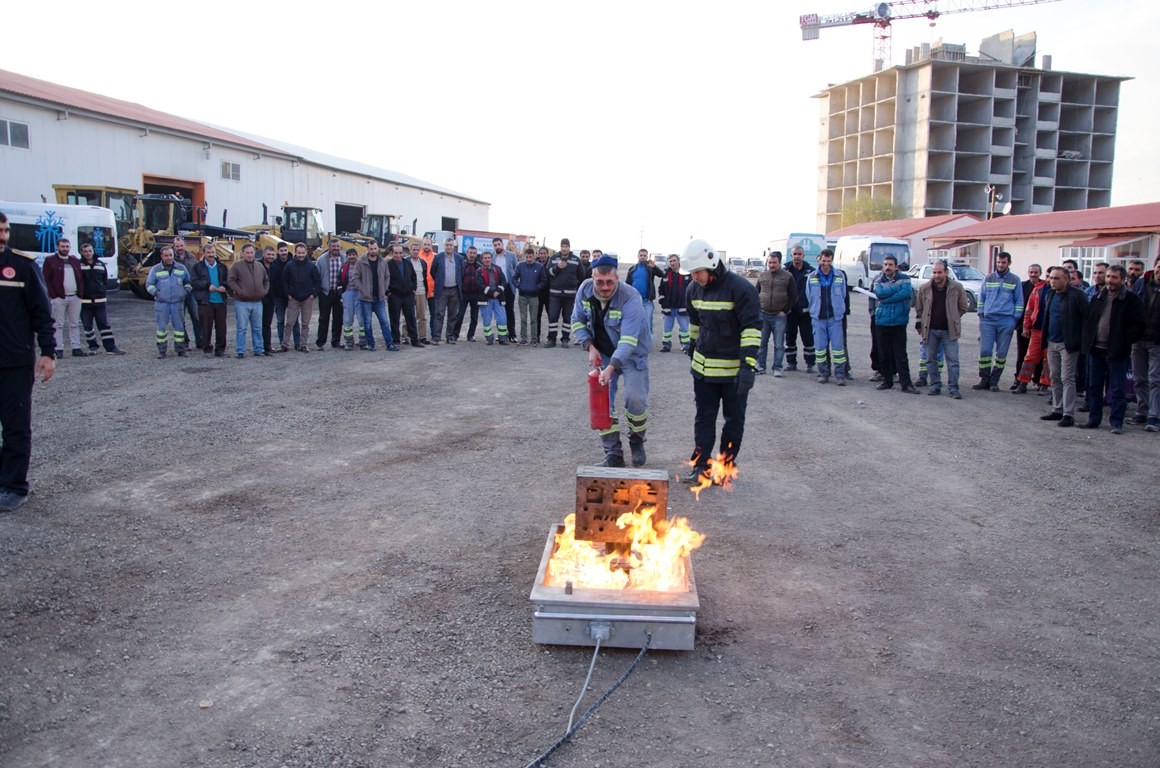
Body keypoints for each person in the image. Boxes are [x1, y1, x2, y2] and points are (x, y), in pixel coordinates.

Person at [680, 239, 760, 482]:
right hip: (703, 372)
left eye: (697, 272)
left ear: (711, 265)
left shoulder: (741, 289)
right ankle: (701, 467)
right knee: (703, 419)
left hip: (733, 372)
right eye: (692, 273)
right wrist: (692, 345)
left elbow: (751, 328)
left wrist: (748, 366)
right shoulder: (693, 289)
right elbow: (695, 322)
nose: (694, 278)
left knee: (733, 421)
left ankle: (725, 468)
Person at [571, 254, 652, 467]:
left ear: (617, 278)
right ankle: (613, 453)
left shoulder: (630, 297)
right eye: (600, 282)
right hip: (604, 353)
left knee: (636, 401)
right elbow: (577, 321)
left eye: (609, 282)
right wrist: (589, 346)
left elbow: (628, 340)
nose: (604, 287)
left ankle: (636, 441)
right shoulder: (585, 290)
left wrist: (611, 368)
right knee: (603, 403)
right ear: (592, 277)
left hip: (633, 354)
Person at [0, 211, 57, 510]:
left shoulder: (21, 266)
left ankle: (13, 485)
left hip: (14, 361)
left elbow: (41, 312)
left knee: (15, 425)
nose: (3, 236)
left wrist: (48, 352)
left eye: (6, 231)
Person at [1079, 265, 1145, 434]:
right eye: (1108, 277)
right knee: (1094, 386)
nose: (1109, 280)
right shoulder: (1097, 298)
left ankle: (1116, 422)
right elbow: (1088, 321)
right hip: (1096, 350)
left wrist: (1124, 341)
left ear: (1123, 280)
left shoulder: (1131, 300)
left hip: (1117, 351)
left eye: (1114, 277)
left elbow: (1138, 326)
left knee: (1117, 389)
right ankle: (1094, 419)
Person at [1035, 266, 1088, 427]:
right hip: (1052, 341)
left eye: (1056, 278)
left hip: (1069, 344)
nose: (1052, 281)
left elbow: (1086, 319)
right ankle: (1057, 409)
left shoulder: (1078, 296)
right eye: (1051, 278)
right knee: (1055, 377)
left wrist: (1080, 341)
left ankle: (1068, 413)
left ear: (1067, 279)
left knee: (1067, 378)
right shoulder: (1050, 294)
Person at [914, 260, 969, 399]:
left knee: (953, 361)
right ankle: (935, 385)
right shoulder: (925, 288)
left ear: (946, 272)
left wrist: (953, 317)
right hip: (930, 330)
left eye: (939, 272)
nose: (936, 275)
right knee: (930, 359)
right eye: (934, 272)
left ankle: (953, 388)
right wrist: (921, 323)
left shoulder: (956, 287)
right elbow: (919, 308)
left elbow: (963, 307)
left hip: (949, 331)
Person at [973, 251, 1024, 391]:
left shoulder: (1015, 280)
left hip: (1006, 320)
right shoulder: (989, 278)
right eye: (999, 262)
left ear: (1009, 263)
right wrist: (981, 314)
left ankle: (994, 381)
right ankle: (984, 379)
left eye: (1003, 262)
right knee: (985, 351)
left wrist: (1014, 319)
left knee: (1001, 354)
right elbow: (981, 297)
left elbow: (1019, 301)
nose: (1000, 265)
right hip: (988, 320)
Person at [870, 255, 917, 393]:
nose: (887, 267)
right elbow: (879, 292)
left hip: (899, 322)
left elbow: (905, 293)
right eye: (885, 264)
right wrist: (895, 291)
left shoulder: (905, 278)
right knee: (883, 354)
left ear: (896, 266)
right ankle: (887, 380)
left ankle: (906, 384)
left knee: (901, 355)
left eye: (890, 264)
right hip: (882, 322)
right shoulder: (878, 279)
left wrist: (886, 298)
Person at [804, 249, 847, 385]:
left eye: (828, 261)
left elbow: (844, 295)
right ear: (819, 259)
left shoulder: (839, 275)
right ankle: (823, 373)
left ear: (832, 260)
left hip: (835, 319)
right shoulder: (812, 276)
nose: (826, 264)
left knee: (838, 349)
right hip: (818, 318)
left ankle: (840, 375)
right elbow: (809, 295)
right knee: (820, 348)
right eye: (824, 261)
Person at [41, 238, 86, 358]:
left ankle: (76, 348)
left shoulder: (74, 261)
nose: (65, 249)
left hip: (75, 297)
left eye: (67, 246)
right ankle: (58, 349)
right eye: (62, 246)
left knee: (75, 323)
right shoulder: (50, 260)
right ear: (57, 247)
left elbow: (80, 278)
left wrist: (79, 293)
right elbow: (46, 279)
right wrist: (53, 295)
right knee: (57, 324)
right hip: (59, 298)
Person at [77, 243, 124, 355]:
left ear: (93, 251)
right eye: (85, 251)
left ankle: (110, 347)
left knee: (104, 325)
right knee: (88, 326)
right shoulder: (79, 265)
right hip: (85, 301)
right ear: (81, 253)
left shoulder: (100, 264)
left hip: (100, 300)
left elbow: (104, 280)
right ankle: (93, 347)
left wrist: (101, 290)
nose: (88, 253)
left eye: (89, 250)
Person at [350, 243, 398, 352]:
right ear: (367, 249)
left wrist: (384, 288)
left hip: (379, 298)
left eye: (375, 248)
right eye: (371, 249)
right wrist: (362, 289)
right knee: (367, 322)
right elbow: (355, 278)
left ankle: (389, 344)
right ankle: (371, 344)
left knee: (384, 321)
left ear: (377, 249)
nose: (373, 250)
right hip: (366, 298)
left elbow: (387, 276)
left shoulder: (382, 262)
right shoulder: (361, 262)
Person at [145, 246, 192, 358]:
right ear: (161, 256)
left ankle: (181, 350)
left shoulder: (181, 268)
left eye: (170, 255)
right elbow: (149, 284)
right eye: (166, 255)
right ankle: (162, 351)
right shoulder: (155, 269)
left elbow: (188, 282)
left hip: (177, 303)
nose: (169, 257)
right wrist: (157, 293)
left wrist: (185, 292)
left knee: (179, 328)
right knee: (161, 329)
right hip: (162, 303)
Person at [755, 251, 797, 376]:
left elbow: (794, 296)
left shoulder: (788, 276)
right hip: (763, 314)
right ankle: (761, 366)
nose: (772, 265)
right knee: (762, 343)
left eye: (774, 262)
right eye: (770, 262)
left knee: (779, 344)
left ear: (779, 263)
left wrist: (784, 310)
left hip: (779, 316)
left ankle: (777, 368)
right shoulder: (762, 276)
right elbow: (755, 293)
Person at [1014, 267, 1052, 395]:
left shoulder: (1060, 292)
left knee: (1048, 360)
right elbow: (1029, 310)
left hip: (1052, 332)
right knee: (1030, 357)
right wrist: (1026, 326)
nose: (1050, 279)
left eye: (1052, 277)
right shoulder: (1038, 289)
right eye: (1048, 276)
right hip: (1037, 330)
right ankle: (1023, 382)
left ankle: (1045, 385)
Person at [1128, 256, 1157, 425]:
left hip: (1157, 341)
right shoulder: (1142, 283)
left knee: (1155, 379)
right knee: (1139, 378)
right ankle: (1142, 411)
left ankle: (1154, 415)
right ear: (1155, 267)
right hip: (1138, 340)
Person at [227, 243, 269, 358]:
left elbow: (266, 280)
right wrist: (239, 292)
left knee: (257, 327)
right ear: (243, 253)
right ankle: (240, 350)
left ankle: (258, 349)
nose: (250, 255)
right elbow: (230, 281)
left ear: (254, 253)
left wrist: (264, 291)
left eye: (251, 252)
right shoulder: (236, 266)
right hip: (242, 303)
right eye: (247, 253)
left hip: (257, 302)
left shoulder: (259, 266)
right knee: (241, 328)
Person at [190, 241, 229, 357]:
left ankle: (220, 349)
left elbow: (228, 280)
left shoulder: (222, 267)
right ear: (204, 253)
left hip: (220, 301)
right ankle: (207, 349)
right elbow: (194, 282)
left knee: (221, 327)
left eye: (213, 252)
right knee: (206, 327)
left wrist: (225, 286)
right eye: (208, 252)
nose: (211, 255)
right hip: (206, 302)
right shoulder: (197, 267)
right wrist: (207, 285)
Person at [283, 242, 320, 353]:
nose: (301, 255)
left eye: (303, 253)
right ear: (295, 252)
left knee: (305, 324)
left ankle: (304, 345)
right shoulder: (289, 266)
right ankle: (285, 344)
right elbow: (284, 281)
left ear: (306, 252)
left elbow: (317, 281)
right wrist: (287, 294)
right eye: (299, 253)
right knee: (289, 322)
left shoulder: (311, 266)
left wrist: (313, 294)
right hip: (293, 298)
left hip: (307, 298)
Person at [546, 239, 584, 348]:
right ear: (560, 247)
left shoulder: (576, 260)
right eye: (562, 246)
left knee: (567, 318)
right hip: (555, 294)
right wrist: (557, 267)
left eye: (566, 246)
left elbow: (581, 276)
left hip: (570, 295)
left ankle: (565, 340)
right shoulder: (553, 259)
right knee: (553, 317)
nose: (564, 248)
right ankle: (551, 339)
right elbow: (548, 273)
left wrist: (575, 287)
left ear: (569, 247)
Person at [783, 246, 815, 373]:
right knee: (790, 338)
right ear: (791, 256)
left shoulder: (811, 272)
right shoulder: (785, 271)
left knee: (808, 339)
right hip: (790, 312)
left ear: (803, 256)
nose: (797, 256)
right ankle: (791, 363)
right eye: (795, 254)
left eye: (799, 254)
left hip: (806, 312)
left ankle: (810, 363)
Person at [387, 243, 422, 348]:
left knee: (411, 318)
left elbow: (413, 277)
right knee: (394, 318)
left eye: (400, 253)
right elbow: (384, 279)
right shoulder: (388, 265)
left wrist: (413, 289)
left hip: (408, 295)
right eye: (396, 253)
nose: (398, 255)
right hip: (394, 296)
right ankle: (396, 339)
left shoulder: (407, 263)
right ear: (392, 253)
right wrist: (388, 293)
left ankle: (415, 340)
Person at [172, 237, 204, 351]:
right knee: (180, 319)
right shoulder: (171, 259)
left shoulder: (191, 257)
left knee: (196, 316)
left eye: (181, 246)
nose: (180, 248)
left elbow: (197, 272)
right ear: (174, 246)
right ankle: (185, 342)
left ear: (184, 245)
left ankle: (200, 341)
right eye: (177, 246)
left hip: (191, 292)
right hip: (178, 293)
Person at [430, 237, 464, 344]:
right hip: (442, 290)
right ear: (444, 245)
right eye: (447, 245)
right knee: (439, 314)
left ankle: (450, 336)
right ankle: (436, 337)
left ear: (453, 246)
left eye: (450, 245)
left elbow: (461, 273)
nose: (449, 247)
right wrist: (440, 282)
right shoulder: (438, 257)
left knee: (453, 315)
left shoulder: (459, 258)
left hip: (454, 290)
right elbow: (432, 272)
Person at [267, 242, 299, 352]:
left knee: (294, 321)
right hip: (279, 297)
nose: (283, 253)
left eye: (285, 250)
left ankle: (297, 343)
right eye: (281, 251)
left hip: (292, 296)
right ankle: (282, 343)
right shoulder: (274, 264)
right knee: (280, 321)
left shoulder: (293, 262)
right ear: (278, 251)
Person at [315, 237, 345, 350]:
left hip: (339, 293)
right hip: (326, 293)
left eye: (338, 246)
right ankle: (321, 342)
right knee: (323, 318)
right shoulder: (321, 259)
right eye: (334, 246)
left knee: (338, 318)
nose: (336, 248)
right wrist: (318, 292)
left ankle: (335, 341)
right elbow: (317, 276)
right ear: (329, 247)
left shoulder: (343, 258)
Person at [658, 254, 692, 354]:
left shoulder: (686, 274)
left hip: (682, 307)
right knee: (667, 329)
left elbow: (691, 289)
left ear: (678, 261)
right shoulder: (665, 275)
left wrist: (688, 303)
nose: (672, 263)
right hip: (668, 308)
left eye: (674, 261)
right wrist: (662, 301)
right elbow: (661, 289)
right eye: (670, 261)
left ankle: (686, 346)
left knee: (684, 329)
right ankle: (666, 346)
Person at [626, 248, 664, 337]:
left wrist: (655, 267)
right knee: (634, 322)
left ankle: (648, 342)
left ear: (647, 256)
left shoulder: (650, 268)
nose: (643, 257)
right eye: (641, 255)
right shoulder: (632, 269)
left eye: (644, 255)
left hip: (647, 301)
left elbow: (662, 275)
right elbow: (627, 284)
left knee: (647, 323)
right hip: (634, 301)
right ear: (638, 256)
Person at [512, 246, 546, 345]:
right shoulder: (520, 266)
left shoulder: (539, 267)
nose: (529, 259)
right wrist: (519, 286)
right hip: (522, 295)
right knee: (523, 318)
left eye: (530, 257)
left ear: (534, 256)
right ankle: (523, 338)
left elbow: (544, 281)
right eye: (527, 257)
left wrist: (537, 288)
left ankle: (534, 339)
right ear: (524, 256)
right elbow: (514, 278)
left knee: (534, 319)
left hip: (534, 296)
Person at [477, 251, 509, 346]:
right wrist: (491, 292)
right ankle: (489, 338)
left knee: (502, 319)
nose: (487, 260)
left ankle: (502, 338)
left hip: (498, 298)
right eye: (485, 258)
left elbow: (504, 281)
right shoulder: (479, 271)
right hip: (485, 299)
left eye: (488, 258)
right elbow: (479, 284)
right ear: (482, 260)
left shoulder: (497, 269)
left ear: (491, 258)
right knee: (486, 320)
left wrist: (498, 291)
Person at [491, 237, 519, 343]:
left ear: (502, 244)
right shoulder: (492, 257)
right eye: (495, 245)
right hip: (497, 288)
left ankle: (512, 334)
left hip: (509, 287)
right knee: (499, 311)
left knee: (509, 311)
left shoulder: (511, 255)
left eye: (499, 244)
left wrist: (515, 283)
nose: (497, 247)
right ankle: (502, 334)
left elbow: (517, 269)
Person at [339, 245, 366, 350]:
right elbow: (339, 281)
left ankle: (363, 341)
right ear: (346, 256)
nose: (352, 257)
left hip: (360, 294)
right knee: (347, 320)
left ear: (357, 256)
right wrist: (342, 294)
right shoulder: (344, 267)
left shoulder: (362, 266)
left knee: (362, 319)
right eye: (349, 255)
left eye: (353, 255)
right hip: (348, 293)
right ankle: (349, 341)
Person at [455, 246, 484, 341]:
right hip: (463, 294)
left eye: (474, 253)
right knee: (460, 315)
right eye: (470, 253)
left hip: (475, 294)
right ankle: (455, 335)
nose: (472, 255)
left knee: (474, 317)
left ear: (476, 254)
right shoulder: (462, 265)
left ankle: (471, 335)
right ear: (467, 253)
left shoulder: (480, 267)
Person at [406, 242, 431, 345]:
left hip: (421, 291)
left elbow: (425, 277)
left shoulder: (423, 262)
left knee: (422, 316)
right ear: (410, 250)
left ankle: (422, 336)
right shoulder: (406, 261)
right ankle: (405, 336)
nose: (415, 252)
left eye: (417, 250)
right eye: (413, 250)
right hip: (409, 292)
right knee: (407, 315)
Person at [417, 237, 437, 339]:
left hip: (433, 291)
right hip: (421, 290)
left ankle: (434, 334)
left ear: (431, 245)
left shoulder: (436, 257)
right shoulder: (418, 256)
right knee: (421, 315)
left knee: (434, 314)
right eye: (425, 244)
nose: (426, 246)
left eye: (428, 245)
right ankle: (421, 335)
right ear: (422, 245)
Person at [260, 246, 278, 354]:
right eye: (268, 254)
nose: (271, 257)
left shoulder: (275, 267)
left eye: (272, 255)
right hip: (259, 298)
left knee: (267, 324)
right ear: (263, 254)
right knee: (257, 324)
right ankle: (258, 346)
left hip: (270, 299)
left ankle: (267, 346)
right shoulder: (257, 265)